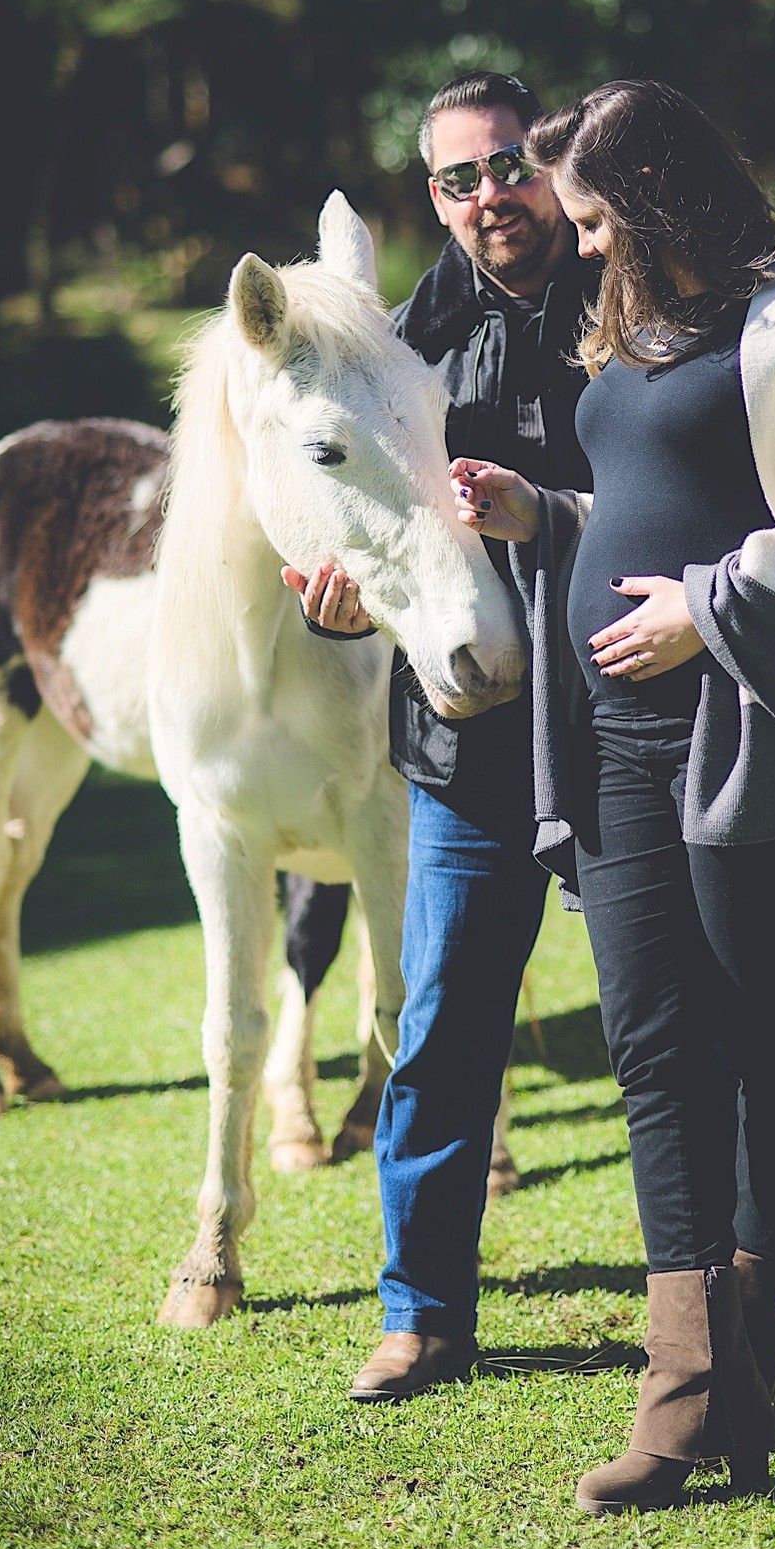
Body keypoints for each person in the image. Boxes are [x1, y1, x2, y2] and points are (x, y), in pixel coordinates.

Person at [446, 79, 775, 1513]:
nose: (585, 246)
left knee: (766, 1025)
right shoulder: (633, 328)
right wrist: (545, 516)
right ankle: (682, 1390)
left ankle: (746, 1339)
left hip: (744, 731)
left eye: (597, 219)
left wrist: (705, 610)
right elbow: (649, 507)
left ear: (658, 197)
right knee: (653, 1047)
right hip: (613, 738)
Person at [286, 71, 598, 1400]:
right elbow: (352, 499)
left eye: (511, 164)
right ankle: (421, 1315)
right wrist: (345, 600)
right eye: (460, 179)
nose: (491, 196)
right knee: (441, 1031)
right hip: (467, 742)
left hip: (623, 720)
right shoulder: (408, 338)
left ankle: (710, 1306)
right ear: (435, 196)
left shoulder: (628, 300)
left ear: (552, 163)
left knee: (674, 1030)